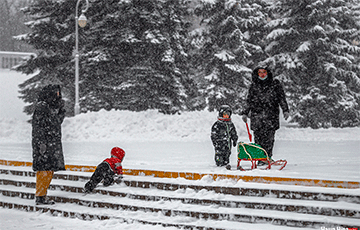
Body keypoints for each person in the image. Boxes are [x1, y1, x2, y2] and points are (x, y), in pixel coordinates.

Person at [241, 66, 289, 165]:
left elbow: (281, 98)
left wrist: (285, 110)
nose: (262, 74)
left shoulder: (275, 84)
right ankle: (260, 158)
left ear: (267, 73)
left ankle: (267, 157)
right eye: (260, 72)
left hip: (271, 115)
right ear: (257, 74)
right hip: (257, 115)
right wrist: (245, 112)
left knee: (269, 138)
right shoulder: (254, 86)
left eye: (264, 72)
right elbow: (249, 100)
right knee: (258, 138)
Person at [32, 84, 66, 205]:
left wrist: (61, 111)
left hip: (52, 142)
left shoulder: (51, 107)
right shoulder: (42, 107)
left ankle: (42, 195)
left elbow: (56, 122)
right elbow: (38, 126)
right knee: (44, 169)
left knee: (49, 169)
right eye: (56, 93)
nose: (58, 96)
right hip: (45, 143)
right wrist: (41, 142)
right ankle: (40, 196)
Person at [211, 105, 238, 169]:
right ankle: (219, 163)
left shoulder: (230, 124)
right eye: (225, 114)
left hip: (228, 143)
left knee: (227, 153)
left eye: (228, 114)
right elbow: (213, 135)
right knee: (219, 154)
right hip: (220, 143)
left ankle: (226, 163)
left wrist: (234, 139)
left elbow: (233, 132)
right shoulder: (217, 124)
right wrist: (216, 143)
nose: (226, 116)